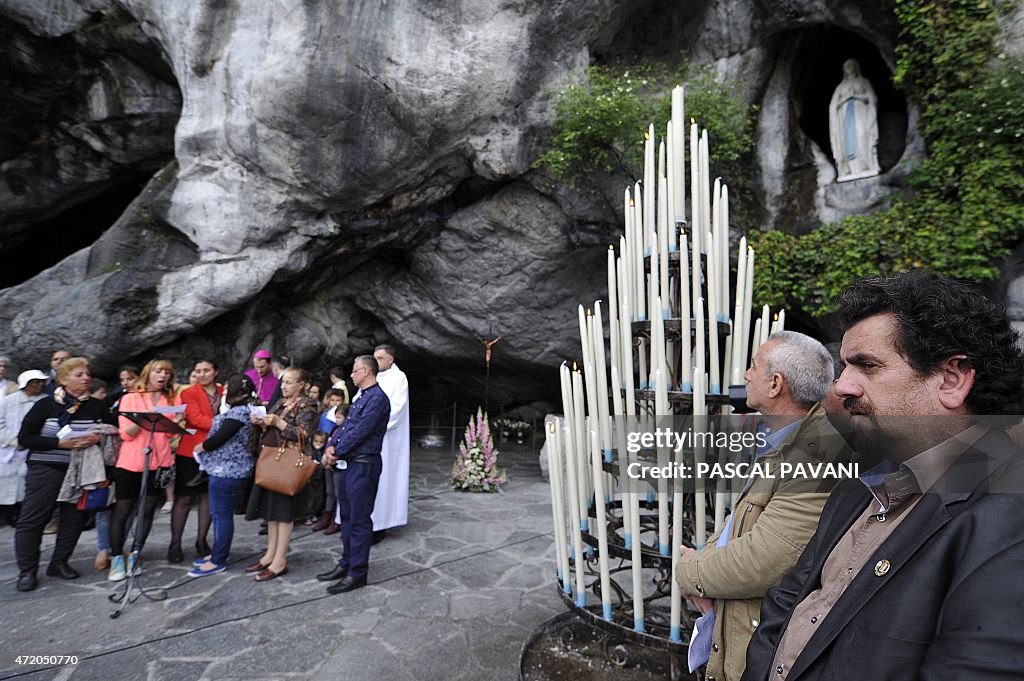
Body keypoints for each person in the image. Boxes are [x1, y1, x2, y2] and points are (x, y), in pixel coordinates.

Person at [741, 272, 1024, 681]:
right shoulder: (859, 488)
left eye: (867, 366)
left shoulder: (1008, 517)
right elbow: (784, 606)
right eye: (843, 367)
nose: (840, 387)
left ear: (951, 380)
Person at [675, 332, 849, 681]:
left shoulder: (818, 452)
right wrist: (704, 568)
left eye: (753, 367)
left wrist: (688, 574)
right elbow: (739, 523)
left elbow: (765, 559)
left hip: (758, 650)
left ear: (775, 385)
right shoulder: (790, 441)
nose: (745, 376)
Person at [14, 357, 112, 592]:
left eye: (87, 374)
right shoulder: (46, 405)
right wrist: (60, 443)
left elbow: (114, 431)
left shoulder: (97, 406)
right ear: (63, 379)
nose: (86, 378)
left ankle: (59, 563)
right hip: (46, 469)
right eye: (79, 375)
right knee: (33, 519)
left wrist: (98, 438)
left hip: (81, 471)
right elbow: (25, 438)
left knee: (73, 519)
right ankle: (27, 571)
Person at [317, 355, 391, 594]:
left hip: (364, 465)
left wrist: (335, 451)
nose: (351, 374)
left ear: (367, 371)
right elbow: (347, 426)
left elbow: (361, 431)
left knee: (358, 520)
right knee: (346, 518)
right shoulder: (363, 397)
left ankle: (357, 573)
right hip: (351, 465)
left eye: (355, 370)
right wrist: (331, 445)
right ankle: (346, 563)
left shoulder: (378, 399)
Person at [107, 359, 180, 582]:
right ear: (148, 373)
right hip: (132, 462)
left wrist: (177, 423)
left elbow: (169, 434)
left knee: (147, 510)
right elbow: (126, 434)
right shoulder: (130, 398)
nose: (163, 375)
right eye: (159, 371)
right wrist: (147, 416)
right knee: (123, 510)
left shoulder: (172, 399)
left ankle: (136, 553)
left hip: (160, 461)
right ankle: (117, 558)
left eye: (167, 372)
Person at [245, 366, 318, 581]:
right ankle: (270, 554)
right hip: (271, 461)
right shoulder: (280, 402)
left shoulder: (308, 404)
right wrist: (261, 423)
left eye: (289, 382)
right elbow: (273, 426)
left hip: (287, 465)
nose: (283, 386)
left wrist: (277, 422)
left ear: (302, 385)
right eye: (283, 382)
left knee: (284, 514)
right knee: (271, 512)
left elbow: (303, 434)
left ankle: (280, 560)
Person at [188, 375, 257, 577]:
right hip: (224, 469)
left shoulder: (239, 413)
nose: (224, 393)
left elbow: (220, 438)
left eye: (227, 390)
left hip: (228, 471)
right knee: (219, 514)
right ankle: (218, 554)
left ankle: (219, 559)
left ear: (238, 393)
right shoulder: (244, 411)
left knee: (221, 515)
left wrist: (203, 446)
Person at [168, 359, 221, 563]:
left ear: (215, 371)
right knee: (184, 498)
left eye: (206, 370)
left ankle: (201, 541)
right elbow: (195, 418)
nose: (201, 374)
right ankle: (175, 544)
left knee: (208, 497)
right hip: (190, 450)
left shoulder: (223, 390)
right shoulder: (188, 392)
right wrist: (225, 425)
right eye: (197, 371)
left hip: (216, 450)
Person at [370, 344, 410, 542]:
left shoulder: (399, 378)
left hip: (387, 439)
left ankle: (380, 526)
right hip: (370, 437)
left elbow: (397, 408)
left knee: (384, 481)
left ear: (390, 360)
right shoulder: (374, 377)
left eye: (379, 358)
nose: (375, 361)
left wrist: (371, 425)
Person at [0, 370, 48, 526]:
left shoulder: (45, 401)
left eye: (42, 382)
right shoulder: (8, 401)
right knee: (7, 485)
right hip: (9, 450)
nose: (39, 385)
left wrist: (32, 441)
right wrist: (14, 441)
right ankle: (10, 515)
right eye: (35, 382)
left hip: (35, 449)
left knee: (28, 486)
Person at [828, 58, 881, 182]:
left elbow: (872, 97)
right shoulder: (841, 87)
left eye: (851, 65)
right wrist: (845, 99)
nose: (849, 67)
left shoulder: (863, 81)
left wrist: (855, 96)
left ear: (856, 67)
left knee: (862, 136)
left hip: (860, 114)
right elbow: (833, 105)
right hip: (846, 119)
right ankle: (852, 169)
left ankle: (866, 165)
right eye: (846, 66)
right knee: (847, 143)